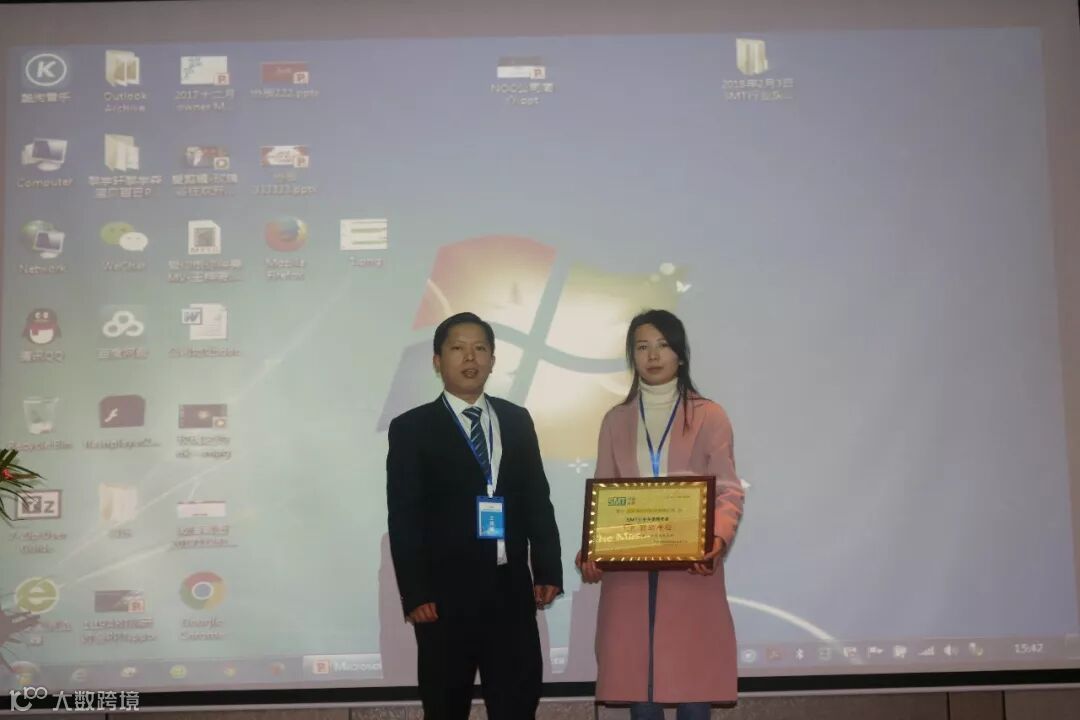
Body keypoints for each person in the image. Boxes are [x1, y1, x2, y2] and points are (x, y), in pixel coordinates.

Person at [387, 312, 563, 720]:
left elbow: (537, 498)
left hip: (511, 593)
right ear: (437, 361)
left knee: (517, 706)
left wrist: (548, 569)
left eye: (480, 348)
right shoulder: (412, 428)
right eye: (458, 348)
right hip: (444, 600)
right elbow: (404, 516)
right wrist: (416, 593)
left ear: (492, 359)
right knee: (445, 708)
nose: (471, 358)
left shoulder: (516, 420)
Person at [577, 309, 744, 719]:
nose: (652, 355)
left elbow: (728, 489)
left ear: (680, 354)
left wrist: (717, 539)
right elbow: (605, 491)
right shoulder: (616, 420)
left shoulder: (710, 415)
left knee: (693, 690)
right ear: (632, 357)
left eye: (663, 345)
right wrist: (592, 548)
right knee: (641, 694)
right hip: (629, 575)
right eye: (642, 347)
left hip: (691, 570)